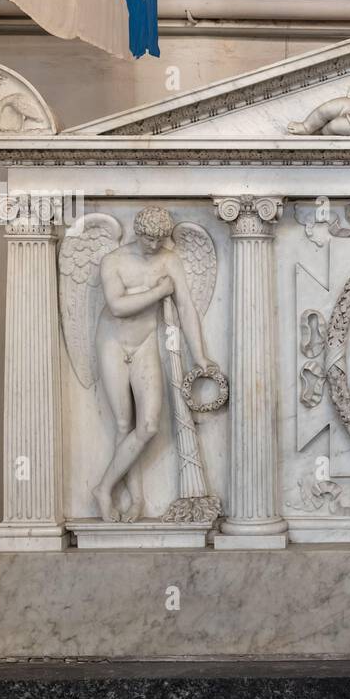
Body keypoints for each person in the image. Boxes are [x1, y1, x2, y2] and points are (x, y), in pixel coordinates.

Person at [93, 207, 218, 521]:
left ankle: (103, 487)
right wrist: (159, 290)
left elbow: (186, 307)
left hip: (146, 342)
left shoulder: (168, 260)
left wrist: (200, 356)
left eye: (160, 239)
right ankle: (134, 500)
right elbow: (118, 306)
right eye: (149, 238)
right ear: (138, 232)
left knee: (147, 425)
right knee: (124, 425)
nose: (153, 245)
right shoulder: (114, 261)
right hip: (112, 342)